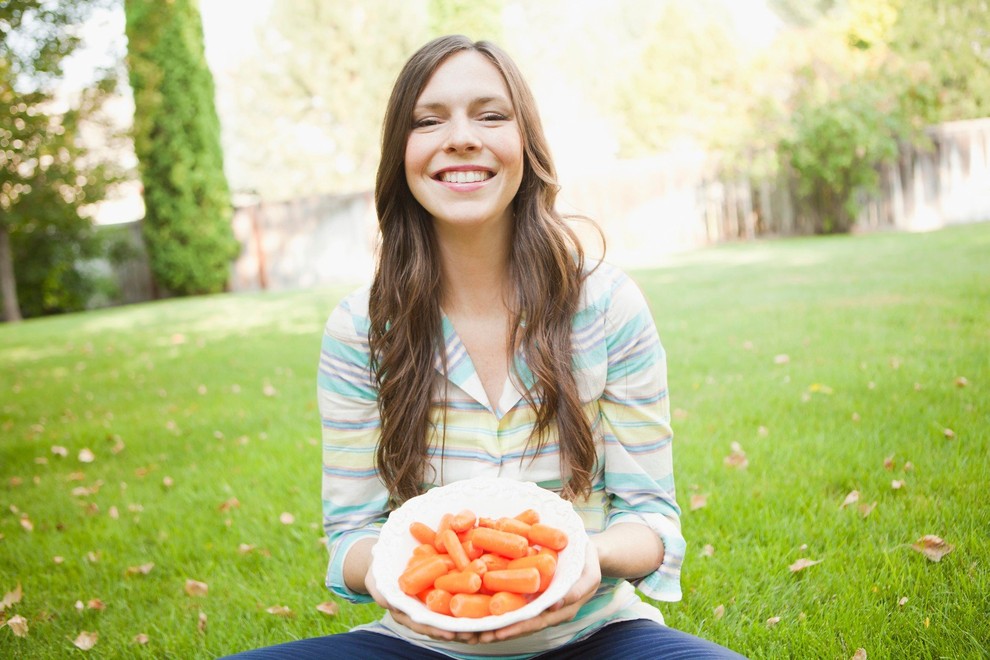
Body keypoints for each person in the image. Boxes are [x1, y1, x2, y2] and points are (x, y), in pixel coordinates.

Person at [227, 35, 744, 659]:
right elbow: (351, 537)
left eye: (491, 115)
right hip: (418, 643)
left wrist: (586, 557)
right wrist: (398, 575)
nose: (462, 137)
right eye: (428, 120)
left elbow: (652, 519)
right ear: (401, 154)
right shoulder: (359, 330)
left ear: (525, 144)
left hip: (594, 635)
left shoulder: (606, 307)